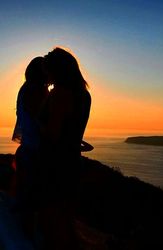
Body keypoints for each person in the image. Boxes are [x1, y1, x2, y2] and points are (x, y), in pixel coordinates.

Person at [37, 47, 91, 250]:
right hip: (72, 161)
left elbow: (52, 134)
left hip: (55, 164)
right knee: (66, 218)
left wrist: (36, 124)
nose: (47, 76)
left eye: (49, 71)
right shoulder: (84, 94)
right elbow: (72, 131)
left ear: (58, 71)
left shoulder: (61, 94)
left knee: (53, 219)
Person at [12, 57, 49, 239]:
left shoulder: (26, 88)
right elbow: (42, 124)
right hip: (34, 154)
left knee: (26, 200)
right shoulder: (36, 91)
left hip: (28, 151)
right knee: (31, 202)